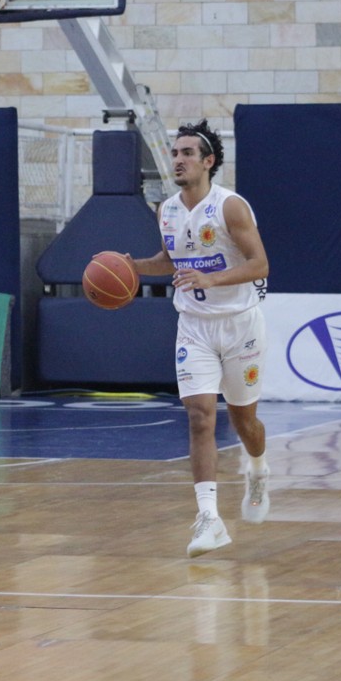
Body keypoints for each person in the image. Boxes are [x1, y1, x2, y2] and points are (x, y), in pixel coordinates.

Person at [129, 119, 271, 558]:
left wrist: (210, 274)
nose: (178, 160)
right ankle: (209, 518)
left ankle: (258, 469)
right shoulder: (166, 209)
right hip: (193, 325)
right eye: (174, 153)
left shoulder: (231, 208)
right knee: (200, 416)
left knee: (245, 421)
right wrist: (128, 265)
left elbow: (260, 264)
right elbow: (168, 260)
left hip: (240, 324)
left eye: (187, 153)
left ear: (208, 162)